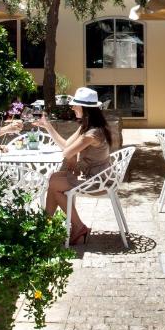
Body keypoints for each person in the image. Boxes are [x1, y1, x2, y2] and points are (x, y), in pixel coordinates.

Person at [37, 87, 112, 245]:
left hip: (98, 180)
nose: (72, 107)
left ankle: (74, 226)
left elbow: (66, 152)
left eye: (75, 105)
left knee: (53, 183)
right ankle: (46, 226)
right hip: (93, 175)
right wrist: (48, 126)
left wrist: (71, 158)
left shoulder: (92, 133)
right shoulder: (87, 126)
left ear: (84, 108)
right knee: (54, 180)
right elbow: (66, 146)